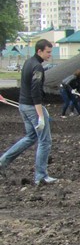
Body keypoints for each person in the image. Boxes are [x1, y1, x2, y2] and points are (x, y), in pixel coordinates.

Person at [0, 39, 57, 185]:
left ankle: (2, 162)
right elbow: (35, 92)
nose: (50, 54)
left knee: (31, 137)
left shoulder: (28, 62)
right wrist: (41, 116)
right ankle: (41, 176)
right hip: (32, 107)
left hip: (23, 106)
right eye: (48, 52)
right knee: (45, 141)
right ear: (39, 51)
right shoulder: (37, 67)